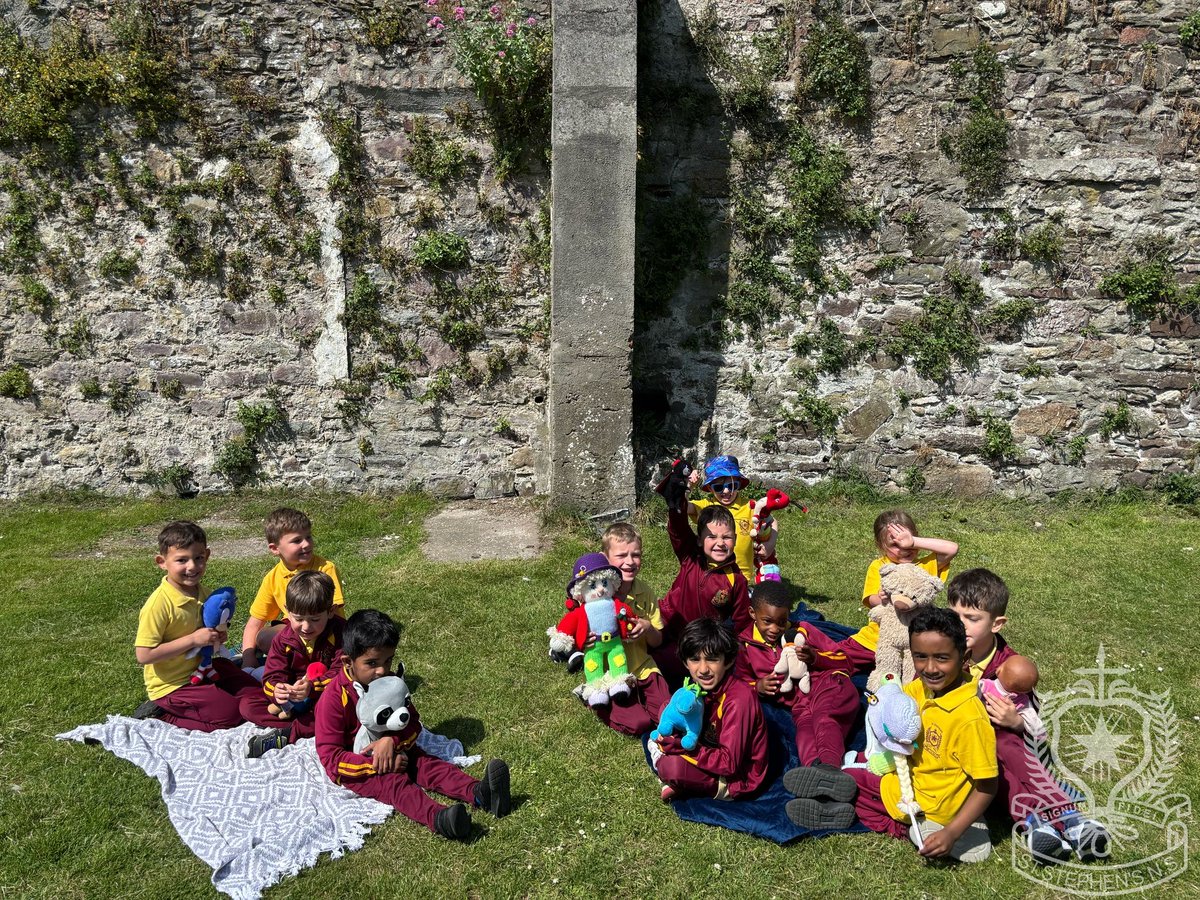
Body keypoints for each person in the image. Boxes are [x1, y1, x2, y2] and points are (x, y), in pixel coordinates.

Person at [784, 607, 997, 863]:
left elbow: (987, 786)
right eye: (920, 657)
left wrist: (951, 833)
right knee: (851, 778)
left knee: (851, 783)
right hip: (907, 779)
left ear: (965, 658)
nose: (930, 668)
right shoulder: (923, 687)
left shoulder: (970, 719)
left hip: (925, 804)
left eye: (942, 658)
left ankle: (903, 827)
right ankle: (842, 805)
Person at [948, 568, 1109, 865]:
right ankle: (1060, 821)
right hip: (960, 746)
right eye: (954, 615)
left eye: (971, 619)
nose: (960, 625)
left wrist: (1016, 722)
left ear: (997, 624)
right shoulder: (943, 650)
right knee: (999, 760)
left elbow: (1034, 720)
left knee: (1008, 750)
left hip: (1005, 746)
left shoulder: (1010, 666)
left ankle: (1061, 826)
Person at [311, 609, 511, 841]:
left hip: (397, 749)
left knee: (429, 764)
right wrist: (379, 764)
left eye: (388, 661)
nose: (382, 670)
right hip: (360, 766)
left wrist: (392, 741)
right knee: (395, 784)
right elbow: (331, 758)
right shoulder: (334, 699)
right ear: (348, 661)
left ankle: (481, 793)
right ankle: (440, 819)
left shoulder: (389, 682)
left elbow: (412, 721)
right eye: (372, 663)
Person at [132, 521, 264, 730]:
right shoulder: (159, 604)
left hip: (203, 669)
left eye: (198, 558)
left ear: (207, 555)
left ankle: (213, 695)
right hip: (173, 685)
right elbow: (144, 655)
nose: (192, 566)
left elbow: (207, 630)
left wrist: (216, 638)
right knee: (230, 715)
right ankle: (161, 716)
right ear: (161, 562)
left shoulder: (202, 592)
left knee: (255, 692)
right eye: (182, 560)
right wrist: (193, 639)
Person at [734, 581, 859, 768]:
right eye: (767, 621)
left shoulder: (803, 630)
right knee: (804, 732)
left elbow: (846, 661)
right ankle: (812, 772)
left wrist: (815, 657)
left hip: (828, 685)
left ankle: (830, 768)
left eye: (782, 622)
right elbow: (739, 683)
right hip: (799, 705)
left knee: (825, 719)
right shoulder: (745, 646)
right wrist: (757, 686)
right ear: (753, 614)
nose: (775, 629)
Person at [655, 461, 752, 685]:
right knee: (651, 658)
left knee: (706, 676)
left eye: (726, 538)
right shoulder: (691, 557)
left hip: (701, 645)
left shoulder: (735, 580)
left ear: (735, 540)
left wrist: (746, 657)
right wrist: (677, 501)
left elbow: (742, 625)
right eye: (712, 537)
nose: (720, 543)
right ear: (699, 540)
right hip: (669, 628)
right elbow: (678, 529)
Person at [651, 618, 768, 801]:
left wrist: (682, 748)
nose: (703, 669)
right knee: (667, 708)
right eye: (695, 660)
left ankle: (686, 781)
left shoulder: (739, 700)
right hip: (709, 749)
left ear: (728, 661)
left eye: (712, 659)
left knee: (671, 766)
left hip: (737, 778)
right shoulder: (699, 688)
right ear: (685, 662)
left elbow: (730, 764)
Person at [840, 509, 958, 671]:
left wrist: (913, 542)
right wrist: (883, 599)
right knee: (837, 659)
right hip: (878, 640)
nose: (904, 548)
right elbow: (871, 599)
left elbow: (951, 549)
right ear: (881, 545)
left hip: (918, 644)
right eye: (895, 544)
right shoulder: (880, 566)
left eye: (907, 543)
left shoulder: (925, 566)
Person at [245, 571, 346, 754]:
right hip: (293, 698)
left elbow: (343, 672)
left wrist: (312, 687)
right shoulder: (283, 639)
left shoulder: (341, 633)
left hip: (326, 694)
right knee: (247, 706)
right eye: (298, 619)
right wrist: (278, 691)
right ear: (287, 611)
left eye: (315, 619)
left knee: (337, 710)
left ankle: (291, 731)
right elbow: (272, 675)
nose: (306, 627)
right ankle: (307, 723)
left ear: (330, 612)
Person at [239, 507, 345, 670]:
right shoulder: (273, 578)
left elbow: (335, 614)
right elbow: (255, 621)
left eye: (308, 536)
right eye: (297, 540)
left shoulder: (325, 568)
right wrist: (248, 657)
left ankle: (301, 663)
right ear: (275, 549)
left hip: (324, 627)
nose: (307, 544)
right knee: (264, 637)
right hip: (296, 628)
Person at [591, 523, 671, 736]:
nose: (629, 562)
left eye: (636, 555)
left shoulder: (644, 591)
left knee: (667, 717)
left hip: (643, 667)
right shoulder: (596, 596)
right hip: (611, 674)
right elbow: (579, 634)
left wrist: (647, 628)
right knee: (639, 725)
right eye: (621, 555)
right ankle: (597, 702)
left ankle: (642, 699)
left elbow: (658, 641)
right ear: (605, 558)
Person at [686, 455, 778, 582]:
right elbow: (681, 507)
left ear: (739, 485)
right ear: (709, 488)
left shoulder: (749, 506)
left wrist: (770, 545)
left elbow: (772, 521)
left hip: (742, 576)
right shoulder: (706, 506)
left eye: (732, 485)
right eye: (718, 487)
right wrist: (689, 486)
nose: (726, 491)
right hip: (712, 574)